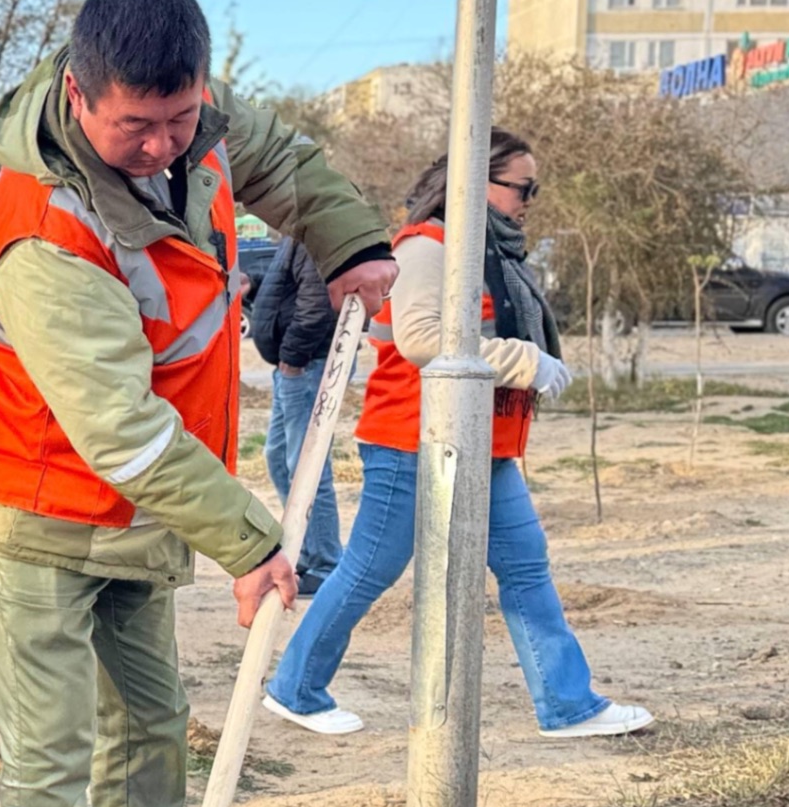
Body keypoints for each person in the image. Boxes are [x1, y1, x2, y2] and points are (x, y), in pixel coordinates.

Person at [0, 0, 398, 807]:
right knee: (50, 744)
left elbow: (282, 160)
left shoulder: (197, 131)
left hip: (144, 509)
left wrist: (352, 245)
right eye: (133, 126)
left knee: (148, 721)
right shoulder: (42, 233)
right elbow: (124, 432)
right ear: (77, 93)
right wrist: (251, 545)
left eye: (178, 119)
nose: (159, 146)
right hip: (41, 501)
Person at [264, 131, 653, 742]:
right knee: (369, 569)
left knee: (527, 569)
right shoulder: (428, 249)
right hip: (409, 440)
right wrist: (524, 360)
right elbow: (422, 340)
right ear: (478, 184)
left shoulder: (483, 254)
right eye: (523, 188)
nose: (530, 200)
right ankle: (295, 688)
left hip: (481, 442)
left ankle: (567, 704)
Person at [249, 235, 343, 597]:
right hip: (295, 367)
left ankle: (325, 562)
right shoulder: (299, 232)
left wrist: (292, 360)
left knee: (307, 465)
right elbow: (290, 292)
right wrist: (254, 285)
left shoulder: (315, 233)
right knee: (278, 457)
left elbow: (315, 305)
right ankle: (307, 550)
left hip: (306, 366)